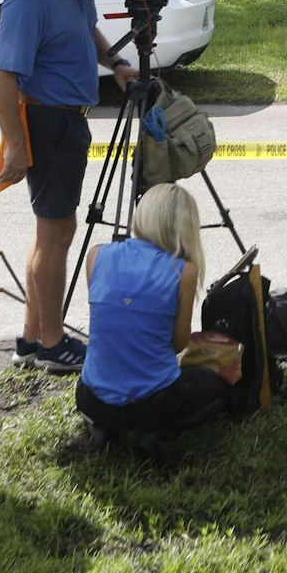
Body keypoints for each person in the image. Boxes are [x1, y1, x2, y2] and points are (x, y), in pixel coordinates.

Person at [0, 0, 137, 374]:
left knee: (50, 233)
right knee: (57, 236)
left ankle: (32, 337)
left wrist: (115, 64)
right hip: (47, 123)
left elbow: (85, 26)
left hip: (68, 119)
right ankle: (54, 345)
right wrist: (15, 144)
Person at [75, 183, 229, 448]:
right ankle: (155, 433)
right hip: (154, 402)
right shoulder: (184, 271)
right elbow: (178, 344)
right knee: (216, 381)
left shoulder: (96, 255)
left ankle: (105, 426)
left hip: (91, 396)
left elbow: (109, 321)